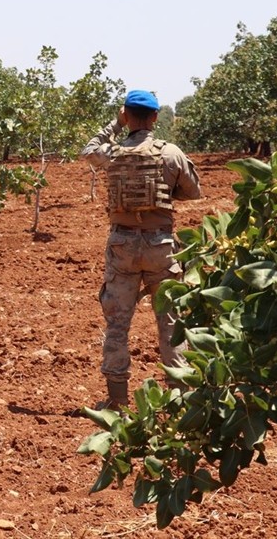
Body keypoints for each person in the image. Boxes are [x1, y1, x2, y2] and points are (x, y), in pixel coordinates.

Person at [80, 90, 202, 410]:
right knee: (171, 321)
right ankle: (179, 400)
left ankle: (117, 403)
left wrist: (113, 126)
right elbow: (193, 190)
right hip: (161, 246)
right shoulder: (171, 152)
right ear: (155, 118)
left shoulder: (113, 152)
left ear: (126, 115)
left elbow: (88, 150)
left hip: (122, 246)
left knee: (118, 324)